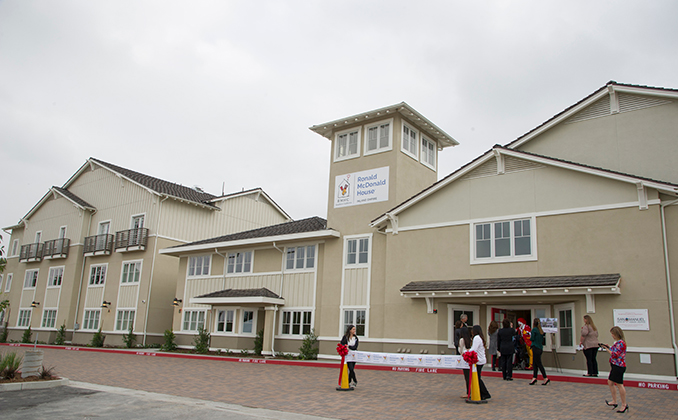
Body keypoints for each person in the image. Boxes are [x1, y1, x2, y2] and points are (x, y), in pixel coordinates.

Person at [600, 326, 628, 413]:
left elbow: (615, 354)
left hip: (619, 366)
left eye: (613, 334)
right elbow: (613, 349)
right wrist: (608, 347)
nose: (612, 335)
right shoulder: (617, 343)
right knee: (610, 382)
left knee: (619, 384)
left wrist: (607, 349)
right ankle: (614, 401)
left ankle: (624, 404)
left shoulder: (621, 343)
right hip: (614, 365)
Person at [462, 325, 491, 400]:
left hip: (479, 360)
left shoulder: (476, 338)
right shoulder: (479, 338)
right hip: (480, 360)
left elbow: (473, 349)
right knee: (477, 377)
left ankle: (485, 393)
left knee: (477, 378)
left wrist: (465, 352)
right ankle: (482, 393)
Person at [529, 318, 549, 385]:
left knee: (539, 364)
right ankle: (534, 377)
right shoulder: (541, 330)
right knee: (535, 364)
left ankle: (545, 378)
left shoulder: (534, 330)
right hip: (540, 348)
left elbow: (532, 338)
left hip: (535, 347)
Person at [458, 327, 473, 398]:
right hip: (470, 358)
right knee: (470, 376)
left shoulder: (461, 340)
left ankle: (468, 392)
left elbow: (460, 350)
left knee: (466, 376)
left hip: (464, 358)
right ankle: (471, 391)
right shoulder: (471, 340)